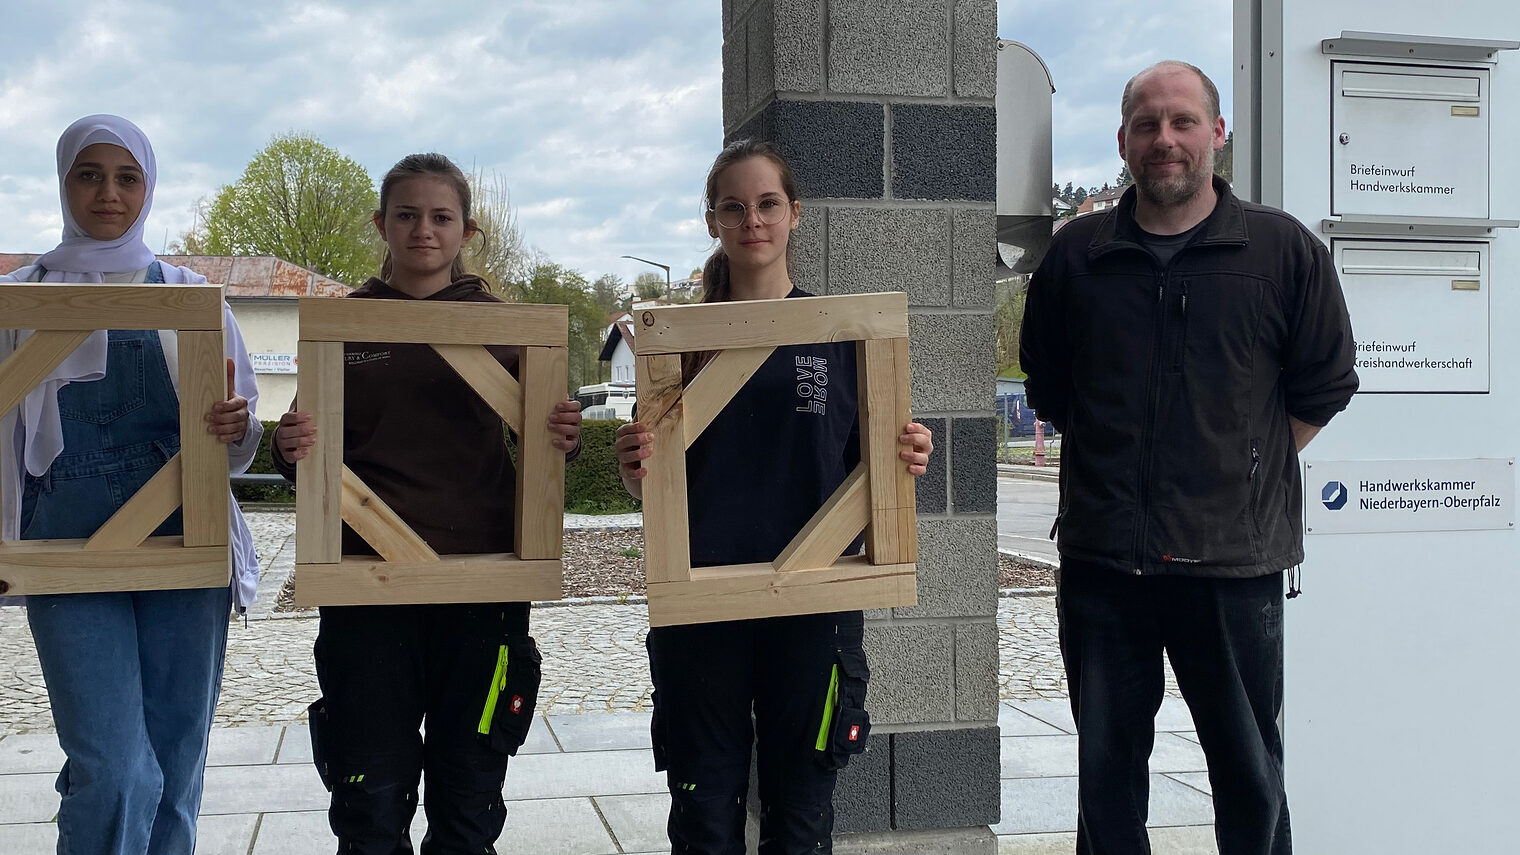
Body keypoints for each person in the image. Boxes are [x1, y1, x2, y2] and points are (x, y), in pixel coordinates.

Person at [1019, 61, 1359, 855]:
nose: (1164, 139)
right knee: (1106, 779)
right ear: (1123, 142)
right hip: (1106, 566)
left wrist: (1240, 464)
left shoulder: (1282, 253)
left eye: (1181, 121)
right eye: (1147, 124)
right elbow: (1052, 387)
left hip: (1233, 568)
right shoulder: (1078, 257)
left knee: (1249, 778)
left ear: (1217, 133)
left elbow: (1325, 383)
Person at [613, 139, 935, 855]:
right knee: (703, 814)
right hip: (702, 606)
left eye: (766, 204)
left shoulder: (845, 334)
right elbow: (655, 483)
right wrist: (636, 470)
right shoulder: (678, 345)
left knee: (801, 813)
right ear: (712, 221)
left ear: (795, 214)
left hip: (814, 605)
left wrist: (906, 455)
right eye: (733, 206)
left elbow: (869, 463)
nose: (750, 220)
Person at [268, 152, 582, 855]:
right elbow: (305, 452)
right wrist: (290, 446)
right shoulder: (342, 327)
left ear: (466, 230)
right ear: (381, 224)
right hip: (364, 586)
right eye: (406, 215)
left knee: (468, 797)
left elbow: (546, 449)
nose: (423, 230)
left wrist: (562, 437)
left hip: (482, 583)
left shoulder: (508, 326)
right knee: (370, 800)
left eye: (441, 217)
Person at [0, 114, 263, 854]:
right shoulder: (15, 300)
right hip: (65, 554)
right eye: (90, 174)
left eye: (127, 177)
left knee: (176, 769)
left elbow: (238, 448)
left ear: (148, 188)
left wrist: (234, 425)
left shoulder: (193, 297)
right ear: (63, 182)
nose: (108, 193)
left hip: (188, 544)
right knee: (114, 770)